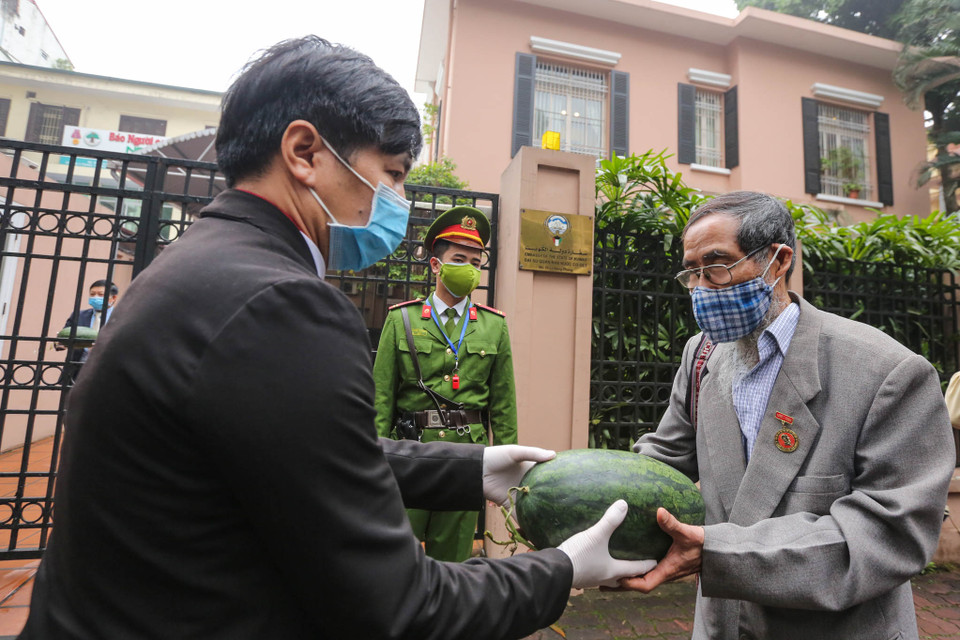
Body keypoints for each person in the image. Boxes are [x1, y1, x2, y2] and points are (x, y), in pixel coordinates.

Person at [19, 37, 655, 640]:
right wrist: (563, 569)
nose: (400, 200)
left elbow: (300, 451)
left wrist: (472, 467)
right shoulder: (284, 304)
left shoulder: (203, 265)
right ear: (304, 152)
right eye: (395, 173)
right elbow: (399, 607)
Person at [622, 191, 955, 640]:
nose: (702, 288)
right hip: (722, 625)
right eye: (692, 273)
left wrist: (719, 552)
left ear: (777, 262)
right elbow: (662, 461)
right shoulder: (701, 355)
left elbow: (890, 532)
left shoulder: (887, 372)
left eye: (717, 265)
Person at [374, 206, 517, 562]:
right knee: (397, 557)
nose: (469, 268)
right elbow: (380, 399)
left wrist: (509, 471)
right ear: (436, 265)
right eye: (459, 258)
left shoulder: (493, 326)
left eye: (475, 261)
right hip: (410, 452)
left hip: (465, 458)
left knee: (454, 561)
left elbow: (502, 405)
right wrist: (373, 462)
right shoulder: (401, 319)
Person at [53, 280, 118, 385]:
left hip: (108, 371)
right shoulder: (79, 315)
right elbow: (62, 336)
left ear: (113, 298)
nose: (95, 297)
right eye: (92, 294)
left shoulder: (122, 317)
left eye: (101, 294)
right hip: (77, 372)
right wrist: (60, 343)